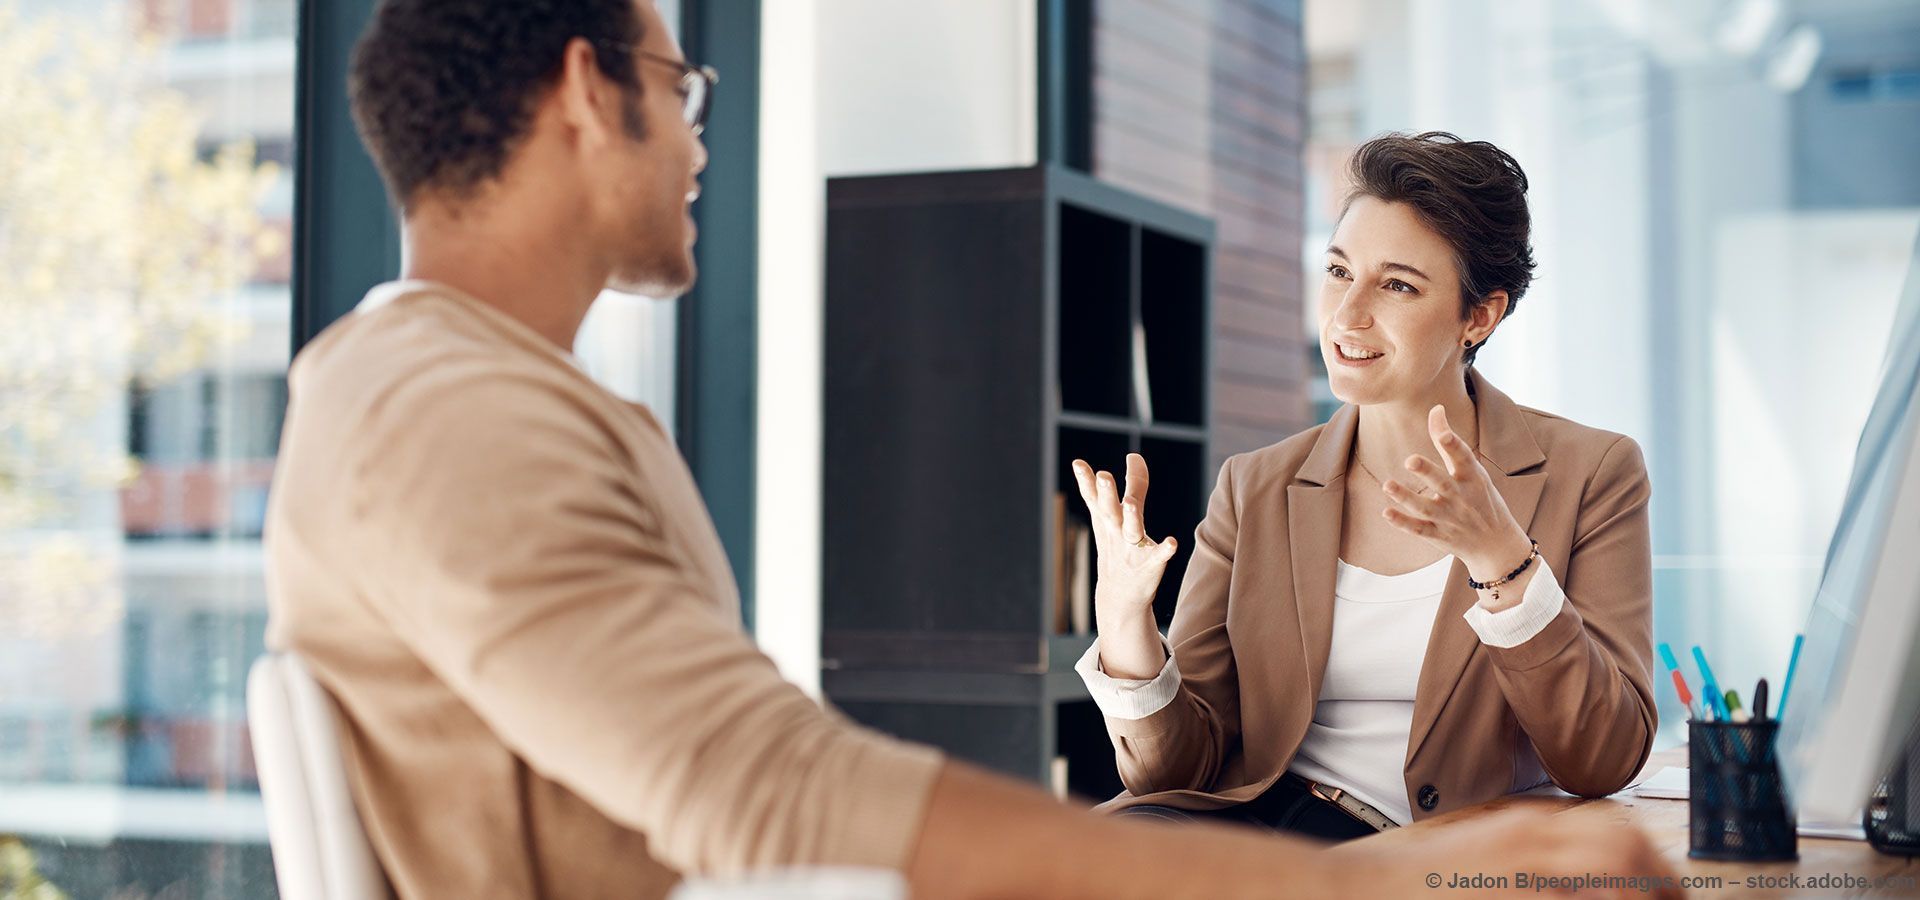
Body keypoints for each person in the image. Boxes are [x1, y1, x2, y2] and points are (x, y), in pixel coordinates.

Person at [262, 2, 1680, 896]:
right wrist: (1343, 886)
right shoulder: (444, 413)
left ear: (1480, 314)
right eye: (681, 90)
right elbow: (761, 789)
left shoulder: (491, 398)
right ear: (586, 93)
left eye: (1399, 284)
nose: (700, 144)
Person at [1072, 132, 1657, 840]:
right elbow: (1180, 772)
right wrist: (1124, 625)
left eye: (1398, 285)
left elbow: (1604, 759)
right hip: (1256, 833)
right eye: (1338, 271)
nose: (1347, 315)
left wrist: (1502, 560)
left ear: (1479, 316)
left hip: (1418, 855)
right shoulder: (1255, 487)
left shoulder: (1592, 473)